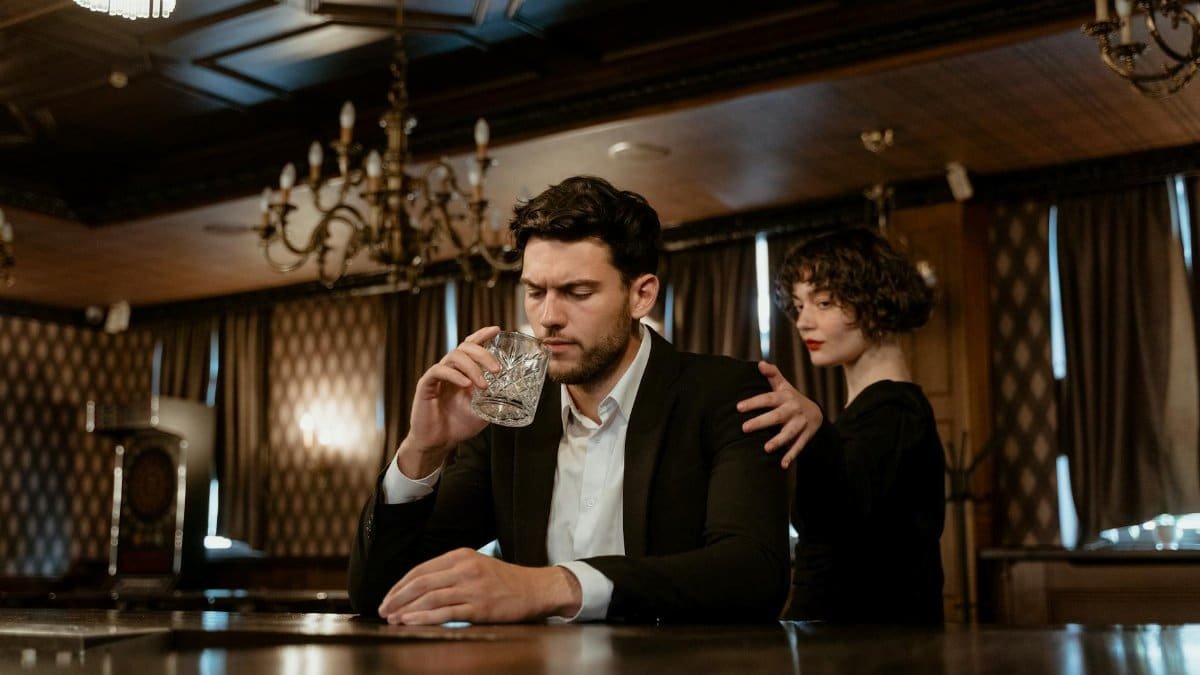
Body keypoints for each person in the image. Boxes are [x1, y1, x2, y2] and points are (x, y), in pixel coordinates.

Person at [348, 176, 789, 625]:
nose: (548, 318)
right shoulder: (511, 415)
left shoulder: (725, 393)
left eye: (578, 293)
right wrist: (423, 450)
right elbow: (380, 593)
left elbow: (754, 574)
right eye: (535, 292)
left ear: (641, 295)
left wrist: (554, 586)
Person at [738, 227, 945, 624]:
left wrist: (816, 434)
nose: (803, 322)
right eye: (798, 306)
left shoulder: (897, 411)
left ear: (875, 301)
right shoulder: (876, 411)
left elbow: (835, 526)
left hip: (866, 646)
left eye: (824, 302)